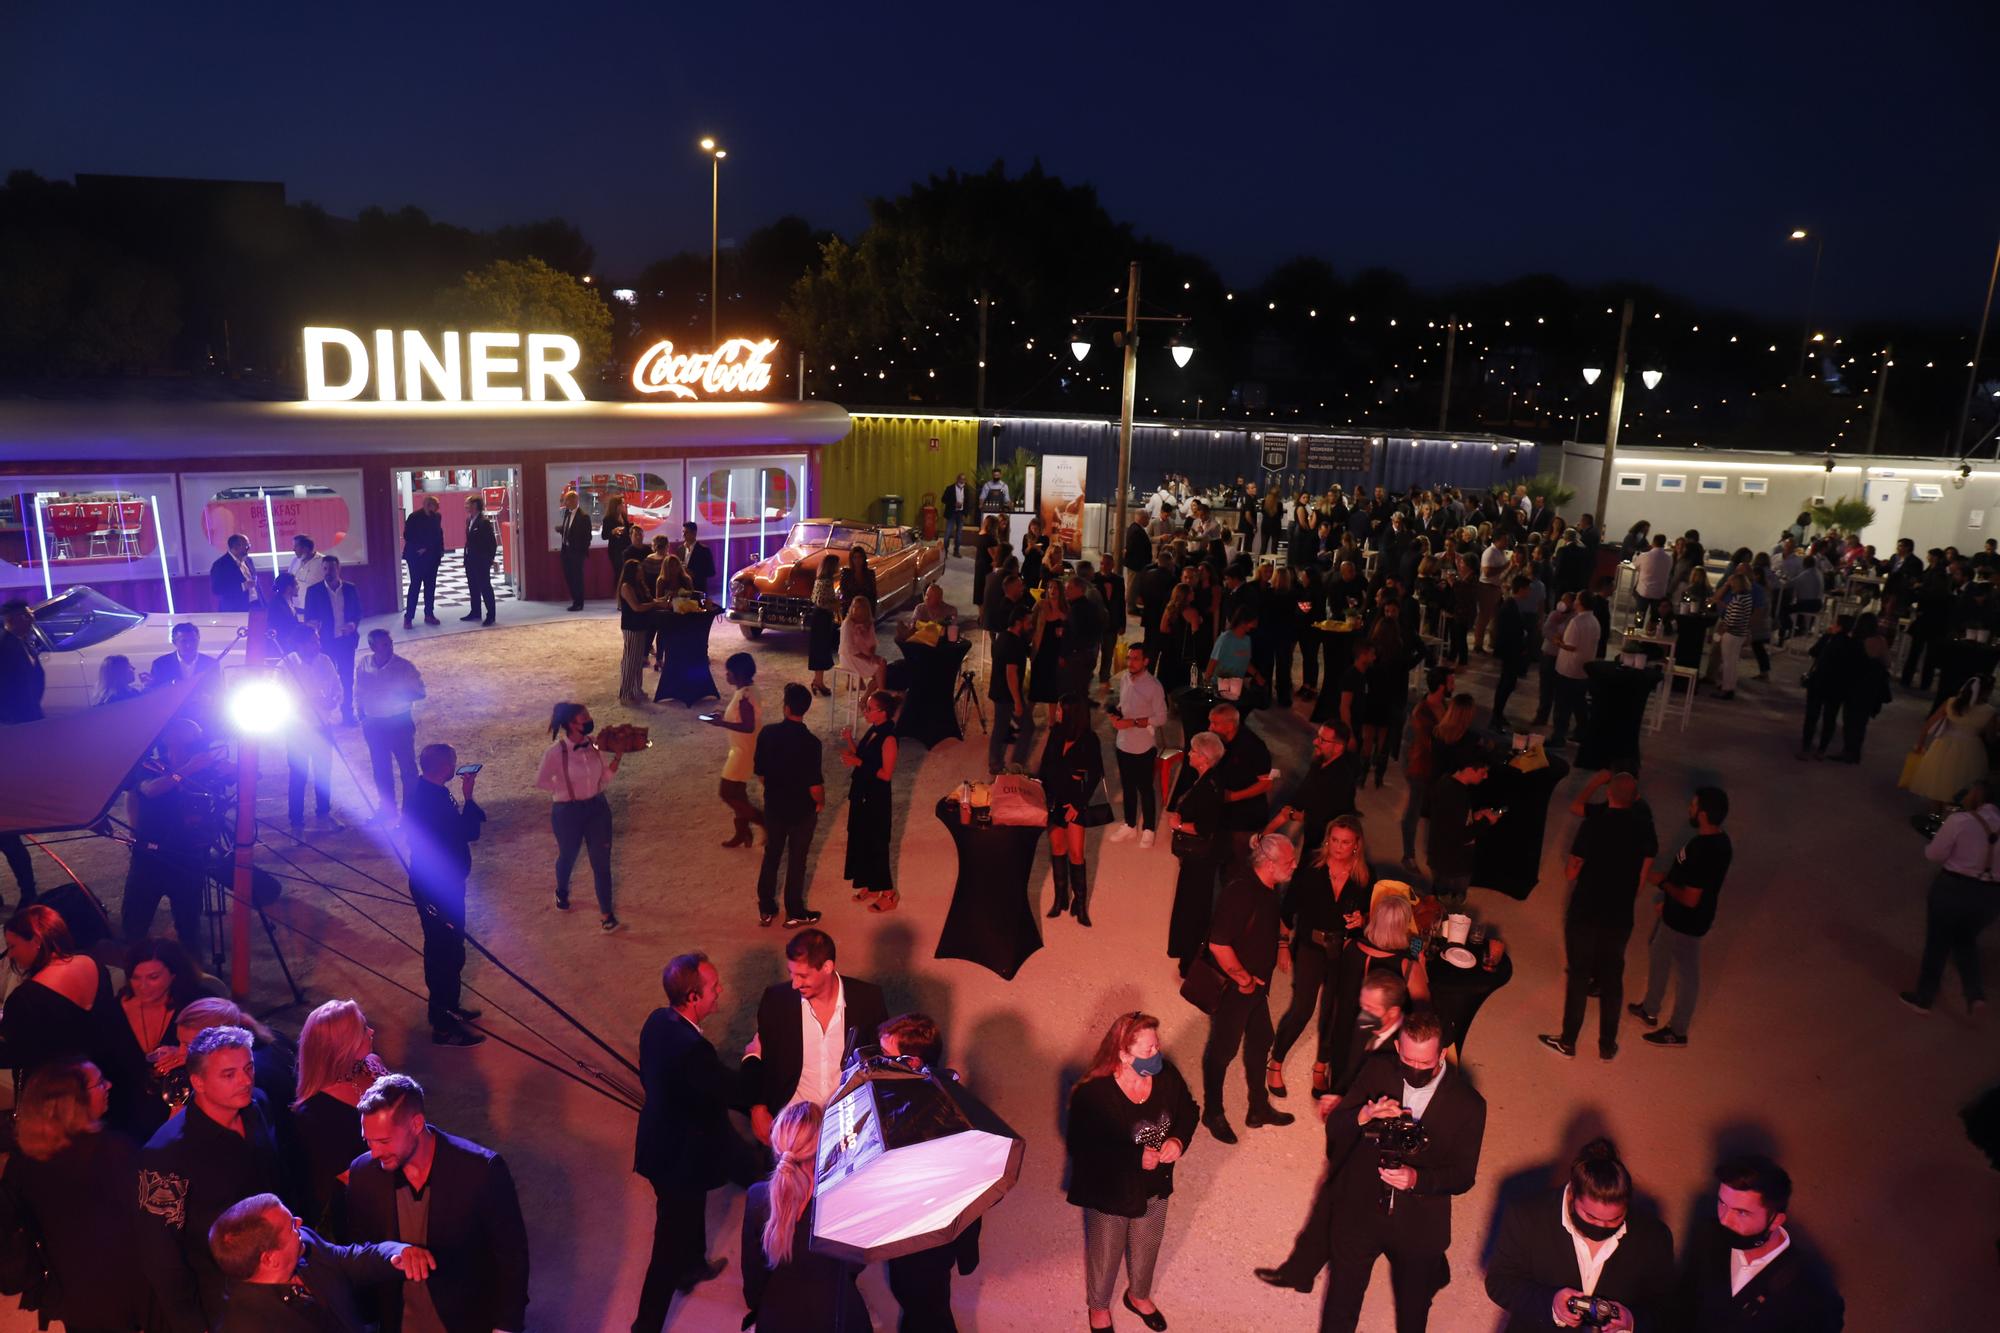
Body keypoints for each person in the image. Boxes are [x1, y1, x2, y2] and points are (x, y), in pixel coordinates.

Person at [1317, 1008, 1487, 1333]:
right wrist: (1363, 1114)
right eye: (1409, 1060)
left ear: (1441, 1053)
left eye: (1425, 1062)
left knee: (1413, 1313)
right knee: (1340, 1305)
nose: (1416, 1068)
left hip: (1420, 1224)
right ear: (1398, 1048)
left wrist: (1417, 1179)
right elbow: (1336, 1129)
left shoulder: (1469, 1105)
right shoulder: (1377, 1069)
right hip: (1361, 1209)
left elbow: (1464, 1175)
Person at [634, 953, 764, 1328]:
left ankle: (691, 1267)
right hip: (681, 1159)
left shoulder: (658, 1020)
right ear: (693, 998)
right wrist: (753, 1057)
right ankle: (644, 1326)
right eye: (713, 987)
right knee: (666, 1249)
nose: (720, 991)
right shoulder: (695, 1052)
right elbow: (734, 1090)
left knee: (689, 1211)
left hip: (658, 1145)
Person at [345, 1073, 530, 1333]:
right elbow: (359, 1250)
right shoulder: (363, 1173)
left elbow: (511, 1257)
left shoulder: (481, 1170)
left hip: (467, 1321)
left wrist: (506, 1326)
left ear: (416, 1124)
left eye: (384, 1141)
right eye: (369, 1140)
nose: (374, 1152)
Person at [137, 1025, 288, 1333]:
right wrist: (191, 1324)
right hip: (219, 1296)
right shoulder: (165, 1155)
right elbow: (160, 1254)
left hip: (278, 1272)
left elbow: (277, 1180)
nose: (245, 1081)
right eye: (229, 1074)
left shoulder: (257, 1104)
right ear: (199, 1082)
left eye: (248, 1068)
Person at [1065, 1012, 1197, 1333]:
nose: (1158, 1054)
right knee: (1106, 1252)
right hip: (1110, 1190)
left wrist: (1179, 1140)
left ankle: (1137, 1296)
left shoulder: (1165, 1076)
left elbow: (1189, 1109)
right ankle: (1098, 1306)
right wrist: (1134, 1158)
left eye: (1157, 1045)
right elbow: (1084, 1150)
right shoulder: (1094, 1095)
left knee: (1147, 1243)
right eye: (1148, 1050)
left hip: (1155, 1184)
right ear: (1123, 1054)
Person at [0, 1060, 152, 1333]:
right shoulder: (113, 1152)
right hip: (124, 1286)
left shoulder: (23, 1161)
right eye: (100, 1083)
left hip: (70, 1291)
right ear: (73, 1101)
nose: (109, 1086)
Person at [1484, 1138, 1676, 1333]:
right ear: (1572, 1194)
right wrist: (1551, 1303)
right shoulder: (1527, 1215)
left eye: (1615, 1219)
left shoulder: (1654, 1236)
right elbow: (1500, 1283)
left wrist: (1633, 1321)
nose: (1602, 1226)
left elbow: (1667, 1308)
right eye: (1591, 1217)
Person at [1539, 771, 1657, 1061]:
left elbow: (1571, 871)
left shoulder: (1594, 824)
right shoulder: (1645, 828)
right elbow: (1643, 877)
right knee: (1612, 976)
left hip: (1586, 910)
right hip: (1619, 914)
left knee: (1579, 975)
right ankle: (1607, 1044)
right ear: (1635, 797)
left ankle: (1568, 1041)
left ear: (1608, 794)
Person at [0, 906, 150, 1133]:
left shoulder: (25, 999)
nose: (10, 954)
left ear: (36, 941)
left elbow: (18, 1054)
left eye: (13, 946)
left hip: (66, 1100)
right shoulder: (92, 964)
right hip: (112, 1081)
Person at [207, 1191, 433, 1333]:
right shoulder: (245, 1325)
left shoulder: (305, 1242)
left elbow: (348, 1258)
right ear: (269, 1258)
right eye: (290, 1226)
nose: (299, 1222)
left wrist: (397, 1252)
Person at [745, 928, 888, 1145]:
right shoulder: (775, 1000)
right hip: (793, 1123)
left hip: (846, 1120)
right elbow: (764, 1056)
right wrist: (758, 1106)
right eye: (791, 973)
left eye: (802, 975)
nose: (794, 983)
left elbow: (878, 1057)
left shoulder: (868, 999)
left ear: (827, 967)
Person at [1202, 833, 1299, 1144]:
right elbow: (1218, 944)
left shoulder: (1268, 888)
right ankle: (1213, 1111)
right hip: (1237, 989)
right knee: (1222, 1050)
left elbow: (1273, 925)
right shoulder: (1241, 893)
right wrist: (1243, 979)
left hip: (1257, 987)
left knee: (1261, 1039)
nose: (1294, 866)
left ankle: (1257, 1108)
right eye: (1289, 862)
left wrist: (1282, 944)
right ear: (1269, 864)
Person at [1673, 1155, 1843, 1331]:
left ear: (1776, 1220)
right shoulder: (1708, 1237)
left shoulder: (1813, 1289)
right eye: (1722, 1203)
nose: (1725, 1219)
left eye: (1742, 1212)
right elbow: (1683, 1306)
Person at [1268, 815, 1372, 1100]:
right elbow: (1288, 908)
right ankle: (1275, 1061)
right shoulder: (1312, 868)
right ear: (1328, 839)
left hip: (1344, 949)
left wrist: (1361, 919)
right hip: (1311, 945)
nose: (1338, 847)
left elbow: (1367, 915)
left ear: (1356, 845)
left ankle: (1321, 1065)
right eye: (1334, 840)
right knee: (1303, 1008)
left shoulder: (1364, 876)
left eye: (1346, 842)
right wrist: (1282, 945)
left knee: (1335, 1010)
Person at [741, 1101, 870, 1329]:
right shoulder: (844, 1203)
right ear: (826, 1146)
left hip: (777, 1317)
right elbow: (855, 1265)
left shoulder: (757, 1197)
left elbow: (753, 1275)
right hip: (836, 1317)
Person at [1631, 785, 1732, 1048]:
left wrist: (1662, 884)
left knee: (1687, 973)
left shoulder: (1703, 850)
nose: (1690, 807)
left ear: (1703, 814)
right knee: (1658, 953)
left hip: (1687, 922)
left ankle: (1678, 1030)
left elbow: (1690, 897)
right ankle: (1650, 1009)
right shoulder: (1721, 841)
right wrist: (1667, 900)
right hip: (1678, 915)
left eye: (1694, 804)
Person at [402, 742, 487, 1046]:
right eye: (453, 762)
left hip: (438, 884)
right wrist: (469, 798)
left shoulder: (423, 792)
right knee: (444, 952)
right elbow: (468, 832)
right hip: (439, 889)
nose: (456, 766)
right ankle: (443, 1025)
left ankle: (449, 1008)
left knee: (451, 949)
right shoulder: (434, 800)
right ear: (446, 767)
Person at [291, 999, 389, 1239]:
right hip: (369, 1208)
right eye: (363, 1029)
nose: (372, 1032)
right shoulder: (314, 1115)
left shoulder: (371, 1064)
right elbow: (354, 1179)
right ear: (343, 1046)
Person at [1900, 778, 2000, 1014]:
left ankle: (1924, 997)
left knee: (1938, 941)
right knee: (1965, 940)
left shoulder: (1961, 821)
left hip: (1953, 888)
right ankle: (1975, 994)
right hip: (1991, 896)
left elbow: (1934, 854)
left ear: (1979, 794)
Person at [121, 717, 221, 950]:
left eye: (196, 738)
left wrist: (231, 770)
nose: (194, 741)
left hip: (187, 858)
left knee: (189, 930)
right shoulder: (150, 765)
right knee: (134, 926)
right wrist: (186, 770)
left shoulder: (204, 769)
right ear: (168, 740)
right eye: (187, 736)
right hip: (149, 856)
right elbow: (151, 790)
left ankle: (192, 977)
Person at [537, 701, 622, 931]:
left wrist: (617, 758)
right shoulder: (555, 752)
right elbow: (542, 781)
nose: (588, 720)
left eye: (587, 716)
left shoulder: (596, 746)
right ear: (570, 724)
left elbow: (603, 778)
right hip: (568, 812)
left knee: (601, 862)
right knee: (567, 855)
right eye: (583, 718)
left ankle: (606, 914)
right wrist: (562, 790)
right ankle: (561, 890)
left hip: (597, 808)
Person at [754, 684, 826, 929]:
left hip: (774, 806)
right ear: (805, 709)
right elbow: (815, 784)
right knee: (797, 860)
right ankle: (794, 911)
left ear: (786, 707)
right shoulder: (812, 743)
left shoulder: (767, 733)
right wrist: (820, 802)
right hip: (801, 810)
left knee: (772, 855)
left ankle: (766, 907)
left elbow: (761, 774)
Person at [1039, 693, 1107, 925]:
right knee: (1057, 847)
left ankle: (1080, 904)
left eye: (1060, 709)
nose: (1056, 712)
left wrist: (1078, 804)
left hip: (1074, 804)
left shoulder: (1090, 740)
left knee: (1076, 853)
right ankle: (1060, 899)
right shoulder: (1056, 733)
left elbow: (1095, 774)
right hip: (1054, 800)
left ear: (1072, 713)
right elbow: (1046, 766)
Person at [1166, 731, 1229, 976]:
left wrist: (1179, 825)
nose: (1189, 754)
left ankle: (1190, 957)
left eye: (1193, 751)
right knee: (1192, 906)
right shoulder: (1208, 779)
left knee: (1193, 907)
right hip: (1199, 858)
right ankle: (1189, 954)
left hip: (1200, 859)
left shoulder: (1209, 787)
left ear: (1203, 757)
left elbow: (1205, 827)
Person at [840, 690, 901, 913]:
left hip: (876, 800)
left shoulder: (889, 739)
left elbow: (886, 774)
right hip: (862, 795)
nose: (865, 711)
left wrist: (858, 763)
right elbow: (864, 757)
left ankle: (889, 893)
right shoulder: (874, 730)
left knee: (877, 844)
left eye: (869, 708)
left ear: (882, 713)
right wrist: (850, 742)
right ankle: (871, 886)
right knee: (861, 841)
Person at [356, 628, 425, 820]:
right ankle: (387, 809)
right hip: (374, 723)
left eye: (390, 643)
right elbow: (358, 691)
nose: (389, 648)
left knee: (408, 768)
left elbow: (421, 692)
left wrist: (398, 695)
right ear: (372, 647)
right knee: (381, 769)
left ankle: (410, 813)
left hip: (399, 721)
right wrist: (361, 714)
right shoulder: (364, 664)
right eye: (384, 645)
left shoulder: (404, 667)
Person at [1268, 720, 1361, 858]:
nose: (1315, 742)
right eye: (1318, 737)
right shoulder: (1318, 764)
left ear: (1338, 747)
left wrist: (1294, 814)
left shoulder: (1342, 780)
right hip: (1311, 841)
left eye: (1322, 740)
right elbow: (1299, 798)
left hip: (1328, 850)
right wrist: (1265, 833)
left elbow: (1324, 819)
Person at [282, 623, 343, 833]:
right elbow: (278, 697)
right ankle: (296, 824)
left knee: (324, 774)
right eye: (313, 640)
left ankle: (324, 814)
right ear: (300, 644)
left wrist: (333, 701)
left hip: (322, 726)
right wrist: (305, 703)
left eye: (318, 639)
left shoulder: (325, 661)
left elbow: (337, 688)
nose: (318, 643)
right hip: (298, 730)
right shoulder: (286, 664)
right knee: (298, 777)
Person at [1108, 643, 1169, 846]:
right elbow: (1123, 704)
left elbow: (1161, 717)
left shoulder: (1154, 686)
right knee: (1127, 786)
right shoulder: (1124, 677)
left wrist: (1133, 722)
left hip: (1143, 746)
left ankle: (1149, 828)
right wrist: (1115, 715)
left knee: (1145, 788)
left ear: (1146, 661)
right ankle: (1130, 824)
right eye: (1129, 658)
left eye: (1135, 658)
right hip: (1122, 743)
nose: (1130, 662)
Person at [1903, 677, 1997, 806]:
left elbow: (1929, 723)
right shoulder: (1989, 712)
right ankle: (1950, 813)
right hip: (1971, 748)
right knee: (1962, 780)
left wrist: (1920, 743)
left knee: (1939, 778)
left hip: (1944, 744)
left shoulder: (1952, 702)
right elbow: (1990, 737)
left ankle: (1935, 811)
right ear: (1987, 692)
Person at [1424, 749, 1499, 906]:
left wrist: (1474, 816)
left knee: (1438, 896)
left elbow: (1449, 821)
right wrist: (1486, 822)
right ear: (1471, 769)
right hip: (1454, 863)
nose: (1486, 776)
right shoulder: (1457, 795)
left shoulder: (1445, 782)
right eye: (1483, 772)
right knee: (1451, 906)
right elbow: (1461, 836)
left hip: (1440, 857)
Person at [706, 652, 766, 850]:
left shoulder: (745, 696)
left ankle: (765, 823)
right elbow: (743, 719)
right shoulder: (747, 691)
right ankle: (743, 833)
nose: (726, 675)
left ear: (738, 674)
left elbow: (748, 726)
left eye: (729, 672)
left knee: (727, 792)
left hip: (743, 751)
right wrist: (724, 716)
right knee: (738, 794)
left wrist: (722, 723)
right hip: (742, 748)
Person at [1401, 668, 1457, 869]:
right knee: (1413, 811)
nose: (1454, 686)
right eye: (1451, 682)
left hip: (1435, 768)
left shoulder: (1443, 705)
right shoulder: (1422, 712)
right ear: (1441, 686)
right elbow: (1430, 744)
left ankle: (1433, 852)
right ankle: (1408, 855)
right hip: (1420, 768)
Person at [1208, 702, 1275, 857]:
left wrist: (1232, 797)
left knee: (1240, 861)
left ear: (1230, 726)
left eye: (1215, 723)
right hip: (1224, 814)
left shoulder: (1253, 747)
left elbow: (1266, 784)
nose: (1210, 727)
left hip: (1247, 818)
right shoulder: (1219, 742)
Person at [305, 554, 364, 724]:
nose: (327, 572)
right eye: (324, 569)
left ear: (338, 569)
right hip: (325, 643)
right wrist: (313, 624)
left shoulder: (350, 588)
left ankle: (348, 713)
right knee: (326, 679)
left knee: (347, 678)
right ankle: (324, 715)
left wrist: (353, 624)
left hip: (346, 642)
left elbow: (358, 612)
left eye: (331, 568)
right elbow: (309, 616)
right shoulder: (314, 591)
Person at [1547, 590, 1601, 748]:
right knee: (1579, 704)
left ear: (1581, 603)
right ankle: (1582, 732)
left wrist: (1557, 641)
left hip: (1568, 670)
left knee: (1562, 706)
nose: (1575, 601)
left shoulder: (1577, 622)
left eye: (1577, 598)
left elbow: (1570, 646)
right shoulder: (1595, 622)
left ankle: (1558, 737)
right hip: (1583, 670)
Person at [988, 601, 1037, 773]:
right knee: (1027, 727)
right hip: (1007, 695)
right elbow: (1011, 674)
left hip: (999, 691)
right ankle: (1015, 763)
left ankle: (995, 764)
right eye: (1028, 622)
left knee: (1000, 727)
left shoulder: (1004, 636)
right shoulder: (1013, 644)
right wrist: (1017, 701)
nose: (1031, 626)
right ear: (1018, 622)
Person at [618, 557, 665, 703]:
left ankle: (636, 690)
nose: (641, 573)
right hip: (631, 627)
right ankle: (625, 693)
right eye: (639, 571)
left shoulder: (640, 585)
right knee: (630, 661)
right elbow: (636, 607)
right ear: (632, 572)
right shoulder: (626, 587)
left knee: (638, 661)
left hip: (641, 625)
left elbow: (647, 602)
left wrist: (660, 602)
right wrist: (655, 605)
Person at [1491, 575, 1537, 726]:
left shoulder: (1514, 604)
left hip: (1512, 650)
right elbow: (1508, 632)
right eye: (1528, 589)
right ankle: (1496, 715)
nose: (1530, 592)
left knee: (1508, 682)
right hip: (1510, 651)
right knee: (1506, 683)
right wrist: (1520, 648)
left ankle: (1498, 713)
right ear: (1522, 589)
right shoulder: (1510, 606)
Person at [401, 494, 444, 628]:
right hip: (416, 557)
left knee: (430, 586)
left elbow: (438, 535)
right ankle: (408, 617)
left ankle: (429, 614)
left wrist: (436, 550)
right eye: (434, 507)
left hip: (431, 556)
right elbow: (408, 535)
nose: (436, 510)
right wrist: (421, 547)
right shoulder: (414, 517)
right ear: (427, 505)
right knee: (415, 586)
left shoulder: (436, 517)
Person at [807, 557, 841, 697]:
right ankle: (818, 682)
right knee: (821, 650)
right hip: (822, 618)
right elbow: (822, 602)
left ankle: (818, 680)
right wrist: (836, 605)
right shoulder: (826, 582)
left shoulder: (819, 580)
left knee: (820, 649)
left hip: (819, 618)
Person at [462, 493, 498, 624]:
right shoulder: (469, 520)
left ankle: (491, 615)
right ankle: (475, 612)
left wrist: (489, 560)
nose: (466, 506)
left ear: (475, 505)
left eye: (468, 504)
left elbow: (492, 543)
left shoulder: (484, 522)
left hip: (481, 561)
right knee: (473, 587)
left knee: (485, 587)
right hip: (470, 560)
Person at [841, 595, 887, 693]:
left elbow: (872, 642)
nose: (855, 610)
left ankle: (869, 695)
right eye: (853, 607)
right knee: (879, 667)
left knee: (882, 665)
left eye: (858, 608)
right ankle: (882, 692)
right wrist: (868, 659)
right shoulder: (848, 624)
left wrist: (872, 654)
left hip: (863, 653)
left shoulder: (868, 623)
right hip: (849, 656)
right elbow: (849, 648)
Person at [557, 488, 592, 610]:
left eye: (566, 500)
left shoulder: (584, 517)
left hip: (577, 554)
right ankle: (575, 600)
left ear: (573, 501)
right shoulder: (567, 513)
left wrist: (580, 552)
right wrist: (561, 530)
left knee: (577, 578)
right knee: (569, 577)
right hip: (566, 551)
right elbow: (570, 530)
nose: (564, 503)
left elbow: (587, 537)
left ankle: (579, 603)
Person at [1632, 533, 1673, 629]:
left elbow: (1635, 566)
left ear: (1653, 542)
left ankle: (1637, 635)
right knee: (1655, 617)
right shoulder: (1669, 558)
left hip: (1644, 590)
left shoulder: (1644, 555)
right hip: (1659, 592)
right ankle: (1652, 636)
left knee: (1640, 615)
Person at [209, 534, 259, 612]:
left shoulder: (248, 560)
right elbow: (217, 589)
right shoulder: (220, 565)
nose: (249, 549)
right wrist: (243, 586)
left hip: (255, 605)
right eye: (246, 546)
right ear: (236, 547)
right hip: (235, 608)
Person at [602, 493, 634, 586]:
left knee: (627, 572)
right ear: (616, 506)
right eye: (622, 504)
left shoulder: (624, 516)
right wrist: (612, 532)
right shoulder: (608, 519)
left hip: (626, 547)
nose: (624, 505)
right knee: (619, 572)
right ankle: (619, 594)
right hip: (615, 550)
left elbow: (629, 530)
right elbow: (604, 536)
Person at [680, 520, 716, 595]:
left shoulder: (704, 550)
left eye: (686, 532)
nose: (683, 535)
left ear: (694, 533)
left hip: (698, 587)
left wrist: (694, 573)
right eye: (683, 532)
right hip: (683, 588)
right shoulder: (680, 549)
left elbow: (711, 571)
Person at [942, 471, 971, 556]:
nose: (963, 481)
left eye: (964, 479)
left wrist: (966, 513)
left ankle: (956, 551)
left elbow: (968, 501)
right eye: (961, 479)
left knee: (959, 533)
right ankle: (945, 551)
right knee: (948, 533)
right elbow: (943, 499)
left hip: (960, 513)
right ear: (957, 479)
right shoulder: (950, 488)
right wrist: (954, 503)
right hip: (952, 513)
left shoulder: (966, 489)